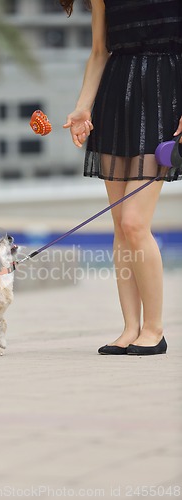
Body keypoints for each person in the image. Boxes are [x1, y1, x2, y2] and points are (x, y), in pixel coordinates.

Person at [60, 0, 182, 355]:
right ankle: (130, 327)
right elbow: (99, 52)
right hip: (117, 98)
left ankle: (155, 330)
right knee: (119, 224)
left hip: (165, 98)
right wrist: (84, 105)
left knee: (133, 223)